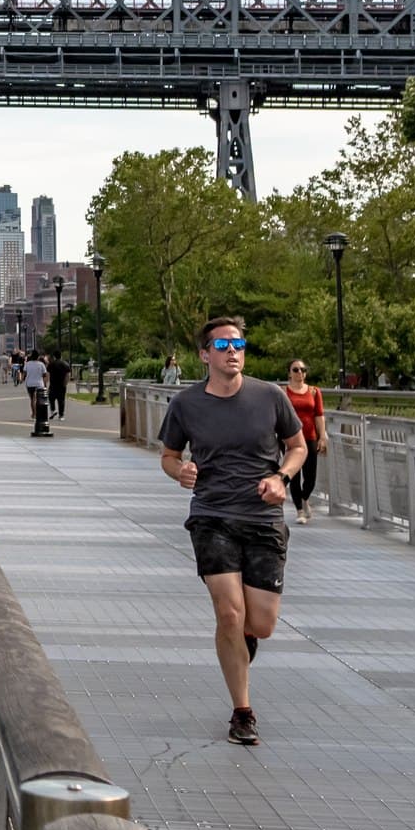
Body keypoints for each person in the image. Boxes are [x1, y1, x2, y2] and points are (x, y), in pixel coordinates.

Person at [157, 317, 305, 747]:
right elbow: (168, 455)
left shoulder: (270, 397)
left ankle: (241, 642)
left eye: (238, 344)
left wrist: (281, 478)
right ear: (205, 355)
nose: (232, 351)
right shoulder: (186, 404)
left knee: (260, 623)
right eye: (222, 345)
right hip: (212, 516)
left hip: (262, 520)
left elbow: (297, 447)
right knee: (229, 612)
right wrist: (179, 471)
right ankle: (243, 712)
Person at [280, 360, 327, 524]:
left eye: (303, 370)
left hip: (310, 437)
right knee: (294, 474)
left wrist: (323, 436)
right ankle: (299, 510)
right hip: (291, 437)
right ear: (289, 373)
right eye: (296, 369)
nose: (300, 372)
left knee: (310, 476)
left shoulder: (314, 391)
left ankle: (305, 497)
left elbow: (319, 415)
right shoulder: (284, 392)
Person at [24, 350, 49, 430]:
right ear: (38, 357)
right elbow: (45, 375)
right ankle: (38, 413)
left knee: (32, 399)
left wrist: (22, 379)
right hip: (39, 384)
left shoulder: (27, 364)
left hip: (30, 383)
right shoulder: (41, 364)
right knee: (39, 400)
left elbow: (24, 373)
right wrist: (45, 384)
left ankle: (34, 413)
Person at [48, 348, 69, 421]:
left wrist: (47, 383)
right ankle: (61, 415)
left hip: (53, 384)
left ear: (54, 356)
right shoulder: (65, 364)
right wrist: (65, 383)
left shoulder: (51, 364)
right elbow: (67, 375)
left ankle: (53, 410)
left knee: (51, 398)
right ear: (61, 356)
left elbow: (48, 374)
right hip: (62, 384)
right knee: (61, 400)